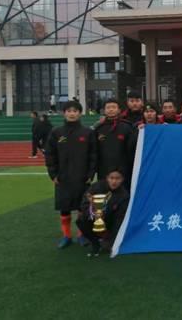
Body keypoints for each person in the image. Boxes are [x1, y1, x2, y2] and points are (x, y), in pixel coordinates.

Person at [45, 101, 97, 249]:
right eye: (69, 111)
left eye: (75, 111)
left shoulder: (88, 132)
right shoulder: (56, 132)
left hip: (82, 177)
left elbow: (93, 155)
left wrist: (90, 173)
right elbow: (50, 155)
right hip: (63, 178)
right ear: (64, 113)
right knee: (65, 208)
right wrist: (53, 174)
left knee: (82, 208)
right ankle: (66, 236)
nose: (72, 114)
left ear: (80, 113)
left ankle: (81, 235)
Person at [76, 168, 130, 257]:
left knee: (108, 245)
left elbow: (120, 218)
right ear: (107, 178)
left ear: (122, 179)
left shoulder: (124, 195)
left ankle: (108, 239)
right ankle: (95, 242)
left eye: (117, 178)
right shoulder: (96, 187)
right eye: (111, 178)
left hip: (110, 222)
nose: (114, 181)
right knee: (80, 220)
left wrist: (112, 239)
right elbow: (84, 203)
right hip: (94, 218)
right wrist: (93, 214)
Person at [93, 99, 136, 189]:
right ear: (104, 110)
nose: (111, 109)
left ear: (119, 110)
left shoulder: (127, 127)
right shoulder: (99, 129)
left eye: (113, 107)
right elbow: (95, 151)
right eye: (108, 107)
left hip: (124, 170)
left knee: (123, 193)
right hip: (104, 170)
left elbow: (131, 150)